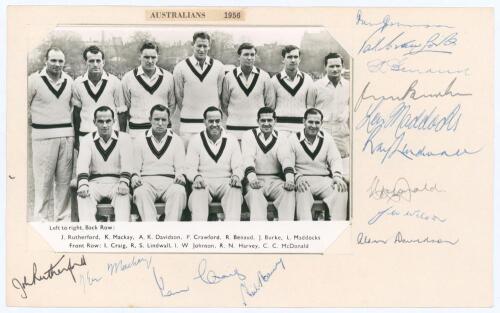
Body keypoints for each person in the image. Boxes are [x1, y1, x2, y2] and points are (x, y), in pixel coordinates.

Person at [28, 47, 74, 222]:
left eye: (60, 61)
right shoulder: (33, 80)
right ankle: (41, 220)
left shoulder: (69, 81)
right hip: (43, 138)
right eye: (53, 60)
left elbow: (71, 107)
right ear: (45, 61)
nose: (57, 64)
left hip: (66, 137)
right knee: (42, 182)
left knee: (63, 182)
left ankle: (62, 220)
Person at [185, 106, 243, 221]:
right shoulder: (195, 140)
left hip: (226, 182)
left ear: (222, 121)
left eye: (217, 121)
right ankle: (200, 234)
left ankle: (232, 233)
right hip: (204, 181)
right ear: (204, 122)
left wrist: (236, 176)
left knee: (235, 190)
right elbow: (190, 167)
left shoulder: (231, 139)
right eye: (211, 121)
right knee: (198, 194)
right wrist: (196, 177)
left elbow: (238, 166)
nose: (215, 124)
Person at [289, 108, 348, 221]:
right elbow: (288, 164)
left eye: (317, 122)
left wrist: (336, 176)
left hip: (323, 180)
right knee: (302, 196)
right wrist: (297, 178)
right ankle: (306, 234)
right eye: (310, 122)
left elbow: (335, 159)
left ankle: (336, 230)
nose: (313, 125)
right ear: (304, 121)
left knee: (341, 190)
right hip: (303, 180)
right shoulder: (293, 139)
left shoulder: (327, 138)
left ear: (321, 123)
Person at [76, 106, 133, 222]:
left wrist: (124, 182)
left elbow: (127, 163)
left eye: (108, 121)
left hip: (117, 182)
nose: (105, 125)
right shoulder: (87, 140)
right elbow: (82, 163)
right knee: (83, 196)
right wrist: (83, 184)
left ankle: (121, 236)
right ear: (94, 122)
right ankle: (90, 237)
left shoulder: (124, 138)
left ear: (114, 121)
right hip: (94, 183)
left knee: (123, 195)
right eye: (100, 121)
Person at [132, 104, 187, 222]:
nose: (160, 123)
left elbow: (180, 167)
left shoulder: (176, 140)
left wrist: (180, 175)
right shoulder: (140, 139)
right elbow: (135, 167)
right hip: (147, 182)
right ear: (150, 120)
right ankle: (152, 232)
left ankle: (168, 233)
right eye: (156, 119)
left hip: (169, 182)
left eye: (163, 120)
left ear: (168, 121)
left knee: (179, 191)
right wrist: (135, 177)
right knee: (140, 192)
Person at [241, 107, 295, 221]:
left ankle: (286, 232)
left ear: (275, 121)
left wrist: (290, 179)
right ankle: (259, 232)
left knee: (288, 193)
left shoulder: (282, 137)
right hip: (255, 179)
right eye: (263, 120)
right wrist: (252, 179)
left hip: (275, 180)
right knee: (255, 196)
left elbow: (286, 159)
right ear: (257, 121)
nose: (266, 123)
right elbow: (248, 159)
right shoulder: (248, 135)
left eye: (269, 120)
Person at [173, 31, 225, 145]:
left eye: (205, 46)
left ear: (209, 46)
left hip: (212, 125)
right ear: (193, 45)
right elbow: (179, 95)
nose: (202, 49)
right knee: (188, 161)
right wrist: (191, 112)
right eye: (199, 46)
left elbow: (220, 93)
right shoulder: (180, 67)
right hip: (188, 126)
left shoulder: (219, 66)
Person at [72, 45, 127, 145]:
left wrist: (122, 137)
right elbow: (76, 113)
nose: (95, 64)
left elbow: (121, 112)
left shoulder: (115, 82)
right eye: (91, 61)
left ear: (103, 62)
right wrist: (76, 139)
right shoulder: (77, 83)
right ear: (86, 63)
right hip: (85, 134)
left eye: (98, 61)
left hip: (110, 135)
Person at [307, 52, 350, 180]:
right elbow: (309, 110)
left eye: (338, 66)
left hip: (342, 131)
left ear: (342, 66)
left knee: (343, 170)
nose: (335, 69)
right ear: (325, 67)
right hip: (322, 130)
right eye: (331, 66)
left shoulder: (349, 85)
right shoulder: (316, 86)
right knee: (322, 164)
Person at [121, 41, 175, 139]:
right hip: (137, 132)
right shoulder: (128, 78)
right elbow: (126, 106)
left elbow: (172, 104)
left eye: (153, 57)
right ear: (139, 57)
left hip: (163, 131)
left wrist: (161, 122)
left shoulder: (168, 77)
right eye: (146, 57)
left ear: (157, 57)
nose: (150, 61)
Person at [221, 42, 274, 140]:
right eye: (246, 54)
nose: (249, 58)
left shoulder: (264, 76)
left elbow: (270, 104)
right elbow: (224, 104)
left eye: (252, 55)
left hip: (257, 131)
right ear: (239, 57)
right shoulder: (229, 77)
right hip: (233, 130)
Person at [270, 45, 314, 136]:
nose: (293, 60)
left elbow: (310, 106)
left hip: (301, 128)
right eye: (289, 57)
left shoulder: (308, 79)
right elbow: (271, 107)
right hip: (280, 128)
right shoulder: (274, 80)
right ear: (283, 59)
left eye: (296, 57)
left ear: (299, 59)